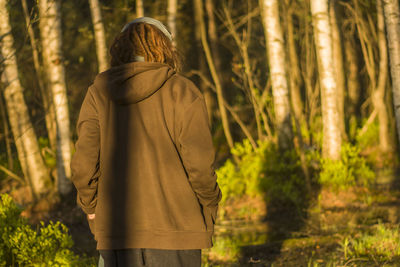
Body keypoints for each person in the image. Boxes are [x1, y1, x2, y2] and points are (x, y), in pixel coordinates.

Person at [70, 17, 222, 267]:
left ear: (121, 48)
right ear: (165, 48)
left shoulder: (98, 92)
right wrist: (209, 205)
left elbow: (83, 165)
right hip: (178, 231)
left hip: (117, 231)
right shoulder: (183, 91)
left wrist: (91, 206)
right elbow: (200, 166)